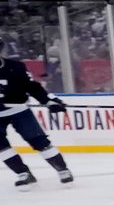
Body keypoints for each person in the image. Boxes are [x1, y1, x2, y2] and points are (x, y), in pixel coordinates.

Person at [0, 54, 75, 187]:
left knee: (39, 141)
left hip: (19, 110)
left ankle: (63, 169)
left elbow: (32, 86)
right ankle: (23, 173)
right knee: (1, 145)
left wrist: (49, 101)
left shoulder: (15, 67)